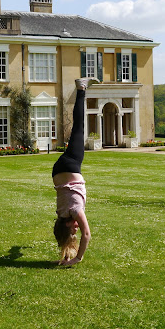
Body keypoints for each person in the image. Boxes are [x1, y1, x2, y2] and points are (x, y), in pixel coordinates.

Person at [52, 77, 96, 266]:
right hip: (58, 171)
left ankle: (81, 88)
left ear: (67, 223)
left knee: (79, 127)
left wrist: (78, 258)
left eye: (73, 229)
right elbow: (66, 233)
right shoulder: (61, 214)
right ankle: (82, 89)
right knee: (78, 128)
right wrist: (67, 254)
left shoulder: (74, 211)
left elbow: (87, 234)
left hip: (71, 166)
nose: (76, 228)